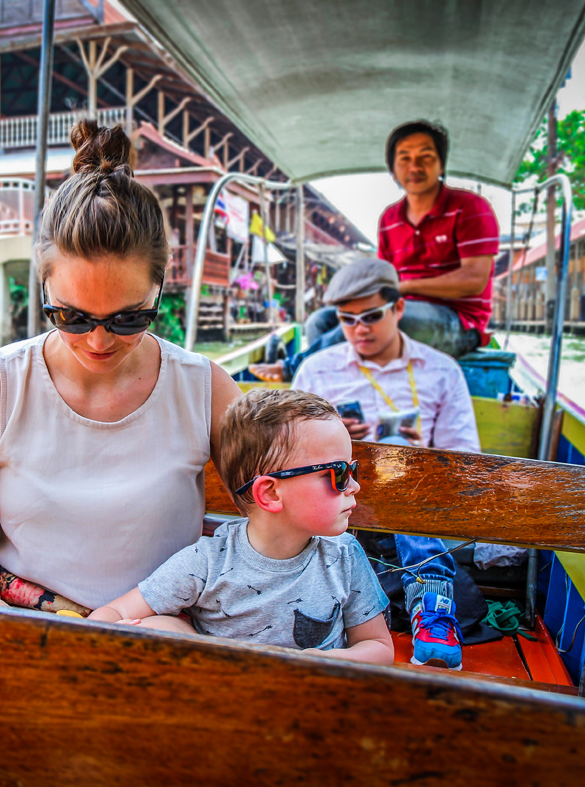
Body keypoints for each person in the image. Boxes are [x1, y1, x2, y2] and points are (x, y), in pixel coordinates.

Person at [0, 120, 242, 614]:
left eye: (129, 318)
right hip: (33, 630)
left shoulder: (207, 390)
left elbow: (272, 531)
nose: (98, 340)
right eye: (71, 316)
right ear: (42, 285)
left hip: (164, 636)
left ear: (160, 289)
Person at [89, 389, 394, 666]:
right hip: (226, 697)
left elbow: (378, 645)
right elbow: (113, 613)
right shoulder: (207, 562)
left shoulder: (344, 557)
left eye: (352, 469)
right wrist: (112, 632)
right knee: (156, 628)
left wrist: (334, 660)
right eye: (338, 473)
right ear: (271, 494)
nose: (353, 486)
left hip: (314, 698)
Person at [293, 257, 478, 670]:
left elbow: (466, 468)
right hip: (338, 507)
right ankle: (432, 603)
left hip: (413, 518)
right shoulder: (317, 369)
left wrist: (422, 458)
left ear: (398, 309)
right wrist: (335, 436)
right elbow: (286, 455)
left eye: (371, 316)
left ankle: (429, 600)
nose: (359, 329)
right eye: (347, 319)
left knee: (396, 447)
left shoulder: (441, 371)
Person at [306, 120, 499, 359]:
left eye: (425, 156)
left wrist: (405, 286)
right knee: (319, 321)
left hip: (459, 321)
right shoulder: (390, 218)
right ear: (393, 169)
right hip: (399, 309)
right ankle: (332, 383)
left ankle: (295, 366)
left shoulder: (470, 207)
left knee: (391, 321)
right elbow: (384, 277)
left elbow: (474, 280)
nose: (414, 166)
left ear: (441, 165)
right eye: (404, 158)